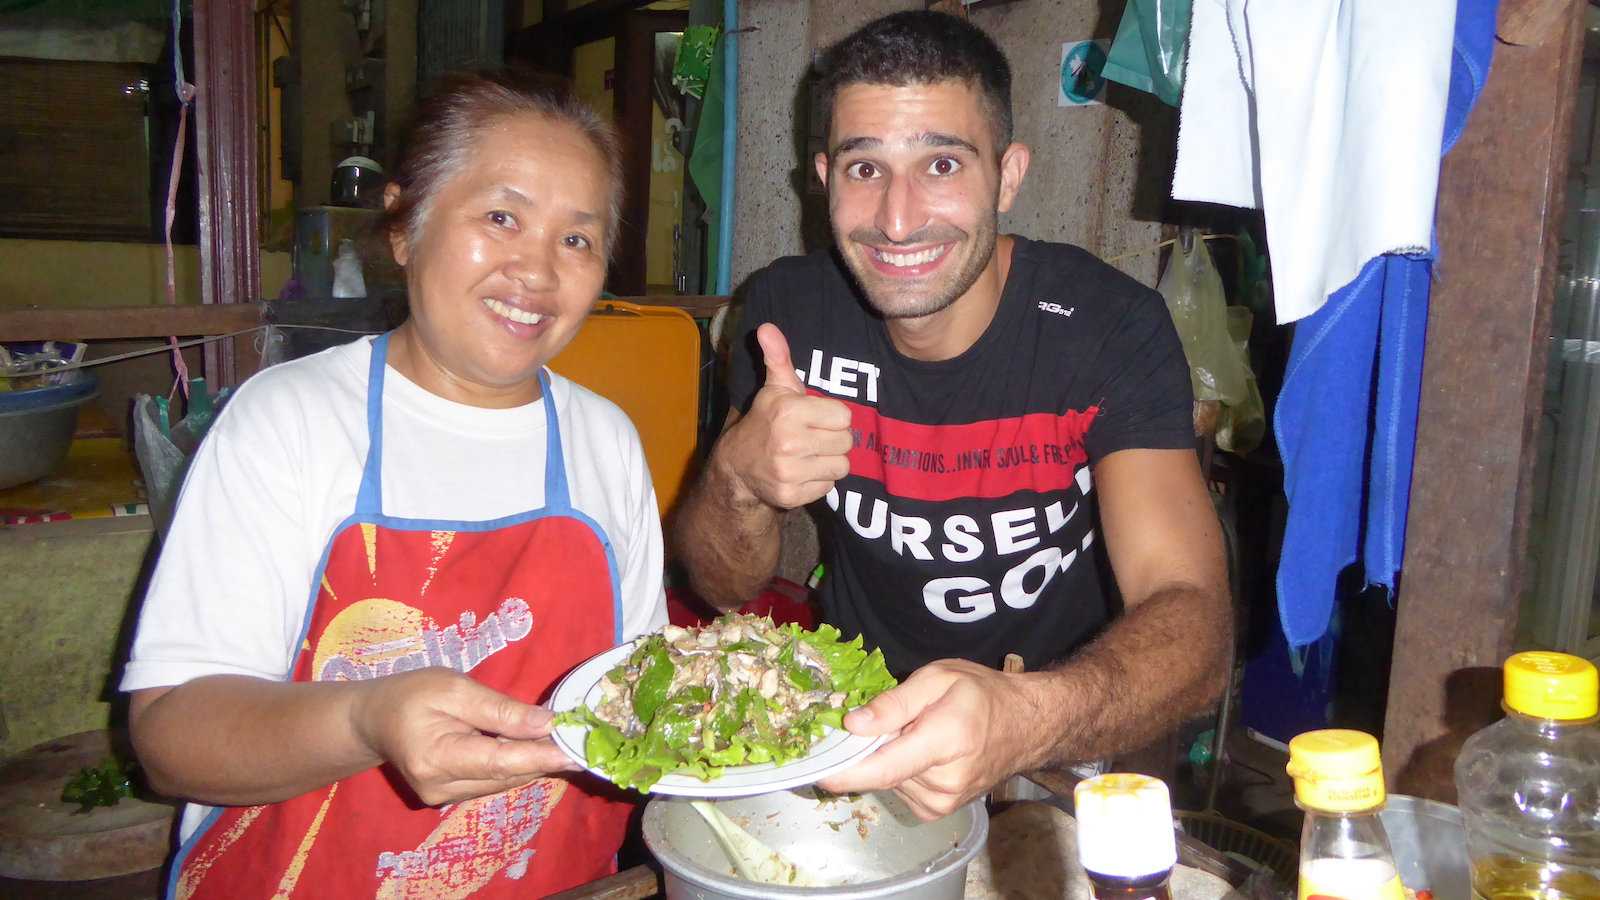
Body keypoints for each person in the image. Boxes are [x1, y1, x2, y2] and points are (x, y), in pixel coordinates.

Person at [673, 11, 1230, 821]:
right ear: (825, 178)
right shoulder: (784, 314)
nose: (898, 219)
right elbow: (723, 586)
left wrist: (1029, 717)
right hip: (856, 720)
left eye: (940, 163)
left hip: (1063, 724)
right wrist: (738, 480)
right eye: (866, 169)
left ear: (1007, 176)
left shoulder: (1106, 329)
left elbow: (1193, 613)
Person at [122, 71, 668, 897]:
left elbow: (641, 689)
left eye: (577, 239)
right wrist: (364, 718)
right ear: (406, 226)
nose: (538, 270)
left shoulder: (606, 440)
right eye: (501, 217)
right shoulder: (292, 421)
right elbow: (169, 736)